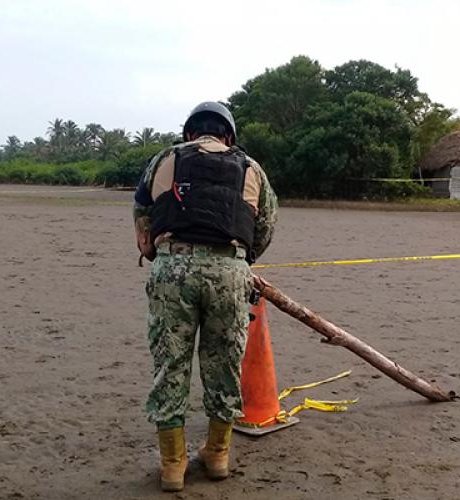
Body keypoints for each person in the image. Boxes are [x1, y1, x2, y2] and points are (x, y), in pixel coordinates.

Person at [132, 101, 277, 492]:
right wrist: (240, 261)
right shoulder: (252, 168)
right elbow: (264, 226)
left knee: (170, 365)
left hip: (172, 270)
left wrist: (151, 249)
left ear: (189, 133)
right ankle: (217, 456)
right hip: (229, 272)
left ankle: (173, 467)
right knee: (223, 366)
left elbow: (141, 207)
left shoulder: (164, 159)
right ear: (229, 135)